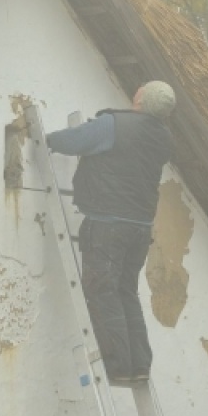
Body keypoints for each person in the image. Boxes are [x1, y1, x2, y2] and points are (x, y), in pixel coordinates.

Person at [46, 81, 176, 384]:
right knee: (125, 291)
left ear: (140, 99)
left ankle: (117, 365)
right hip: (140, 228)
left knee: (102, 289)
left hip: (108, 224)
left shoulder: (114, 126)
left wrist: (45, 140)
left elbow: (75, 142)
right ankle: (140, 365)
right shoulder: (164, 138)